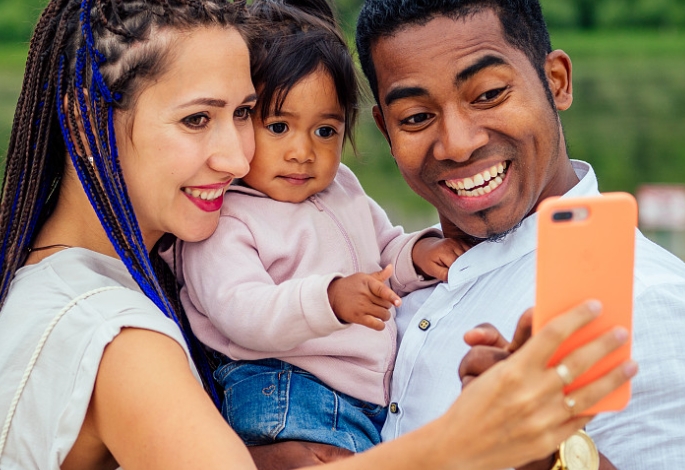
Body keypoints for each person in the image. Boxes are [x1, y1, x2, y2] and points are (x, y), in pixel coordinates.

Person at [0, 0, 635, 469]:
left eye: (245, 114)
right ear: (86, 124)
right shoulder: (115, 332)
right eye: (197, 119)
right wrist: (463, 441)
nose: (235, 154)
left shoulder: (69, 277)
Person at [351, 0, 685, 469]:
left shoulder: (646, 300)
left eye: (488, 94)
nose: (458, 143)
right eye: (415, 117)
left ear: (557, 82)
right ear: (386, 131)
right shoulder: (388, 272)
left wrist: (543, 452)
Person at [168, 0, 465, 454]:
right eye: (279, 126)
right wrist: (329, 299)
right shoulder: (226, 219)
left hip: (361, 397)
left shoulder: (342, 186)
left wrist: (416, 256)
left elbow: (383, 253)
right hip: (287, 389)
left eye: (324, 131)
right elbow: (241, 312)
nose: (302, 151)